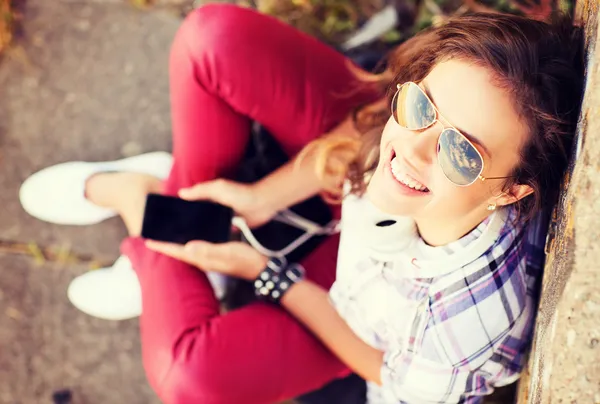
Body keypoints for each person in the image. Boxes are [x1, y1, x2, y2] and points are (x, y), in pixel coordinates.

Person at [19, 4, 584, 404]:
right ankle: (181, 222)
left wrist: (270, 275)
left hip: (353, 319)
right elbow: (366, 138)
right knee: (209, 37)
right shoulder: (413, 142)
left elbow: (389, 372)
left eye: (461, 151)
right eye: (420, 106)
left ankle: (140, 201)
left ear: (512, 190)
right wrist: (259, 197)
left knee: (186, 378)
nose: (411, 147)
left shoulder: (462, 328)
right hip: (349, 200)